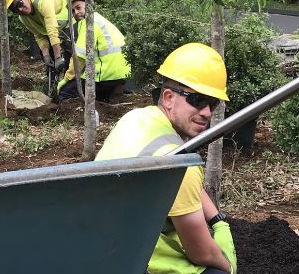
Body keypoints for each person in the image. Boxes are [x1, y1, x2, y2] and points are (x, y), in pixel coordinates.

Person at [95, 43, 237, 274]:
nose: (207, 113)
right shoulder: (175, 162)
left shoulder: (135, 119)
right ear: (169, 97)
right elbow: (200, 252)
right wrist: (228, 266)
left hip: (100, 240)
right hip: (128, 260)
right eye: (198, 100)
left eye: (213, 103)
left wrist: (216, 219)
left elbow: (189, 185)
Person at [56, 0, 131, 103]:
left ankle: (75, 117)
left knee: (65, 92)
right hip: (122, 74)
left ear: (88, 5)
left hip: (106, 75)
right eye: (72, 10)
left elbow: (79, 58)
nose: (76, 12)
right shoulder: (101, 20)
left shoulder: (89, 23)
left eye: (78, 7)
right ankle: (110, 94)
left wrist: (66, 79)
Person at [4, 0, 71, 72]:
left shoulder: (43, 2)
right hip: (55, 27)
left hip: (71, 14)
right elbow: (39, 35)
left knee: (68, 49)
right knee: (48, 51)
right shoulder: (23, 18)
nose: (20, 9)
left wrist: (57, 57)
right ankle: (55, 79)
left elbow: (52, 30)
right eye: (15, 9)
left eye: (20, 4)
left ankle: (73, 77)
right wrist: (46, 56)